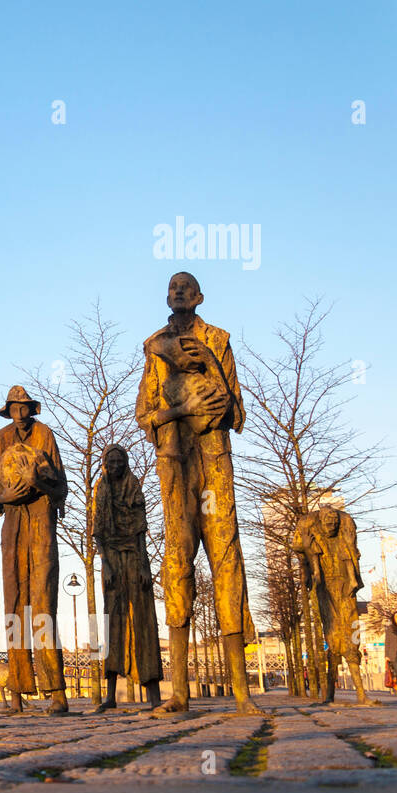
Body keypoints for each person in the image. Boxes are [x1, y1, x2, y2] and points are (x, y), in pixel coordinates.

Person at [137, 272, 261, 715]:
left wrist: (207, 361)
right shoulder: (153, 346)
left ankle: (243, 695)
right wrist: (181, 409)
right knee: (177, 560)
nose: (177, 293)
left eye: (185, 288)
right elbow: (144, 415)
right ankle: (180, 694)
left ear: (199, 297)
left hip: (214, 458)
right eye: (171, 288)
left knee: (227, 556)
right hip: (174, 460)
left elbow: (237, 411)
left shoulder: (218, 340)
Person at [0, 385, 69, 714]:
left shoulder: (45, 434)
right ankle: (18, 693)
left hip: (40, 520)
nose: (19, 413)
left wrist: (37, 483)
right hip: (13, 524)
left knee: (43, 604)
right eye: (14, 408)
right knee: (15, 602)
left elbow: (61, 484)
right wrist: (7, 496)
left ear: (31, 409)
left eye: (24, 407)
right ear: (9, 410)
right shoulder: (1, 438)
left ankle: (57, 692)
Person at [89, 444, 162, 712]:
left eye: (120, 461)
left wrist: (144, 566)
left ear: (126, 463)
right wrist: (105, 565)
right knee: (112, 621)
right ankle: (110, 695)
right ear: (105, 464)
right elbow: (98, 529)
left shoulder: (133, 485)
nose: (116, 465)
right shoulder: (101, 488)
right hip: (111, 557)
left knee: (144, 620)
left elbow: (141, 528)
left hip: (134, 555)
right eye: (112, 461)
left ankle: (154, 693)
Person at [290, 506, 372, 704]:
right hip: (325, 588)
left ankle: (360, 693)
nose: (331, 527)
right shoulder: (311, 531)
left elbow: (352, 550)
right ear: (321, 522)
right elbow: (296, 545)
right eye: (328, 524)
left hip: (345, 587)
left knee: (352, 634)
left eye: (334, 524)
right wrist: (307, 549)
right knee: (332, 636)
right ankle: (329, 694)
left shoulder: (344, 532)